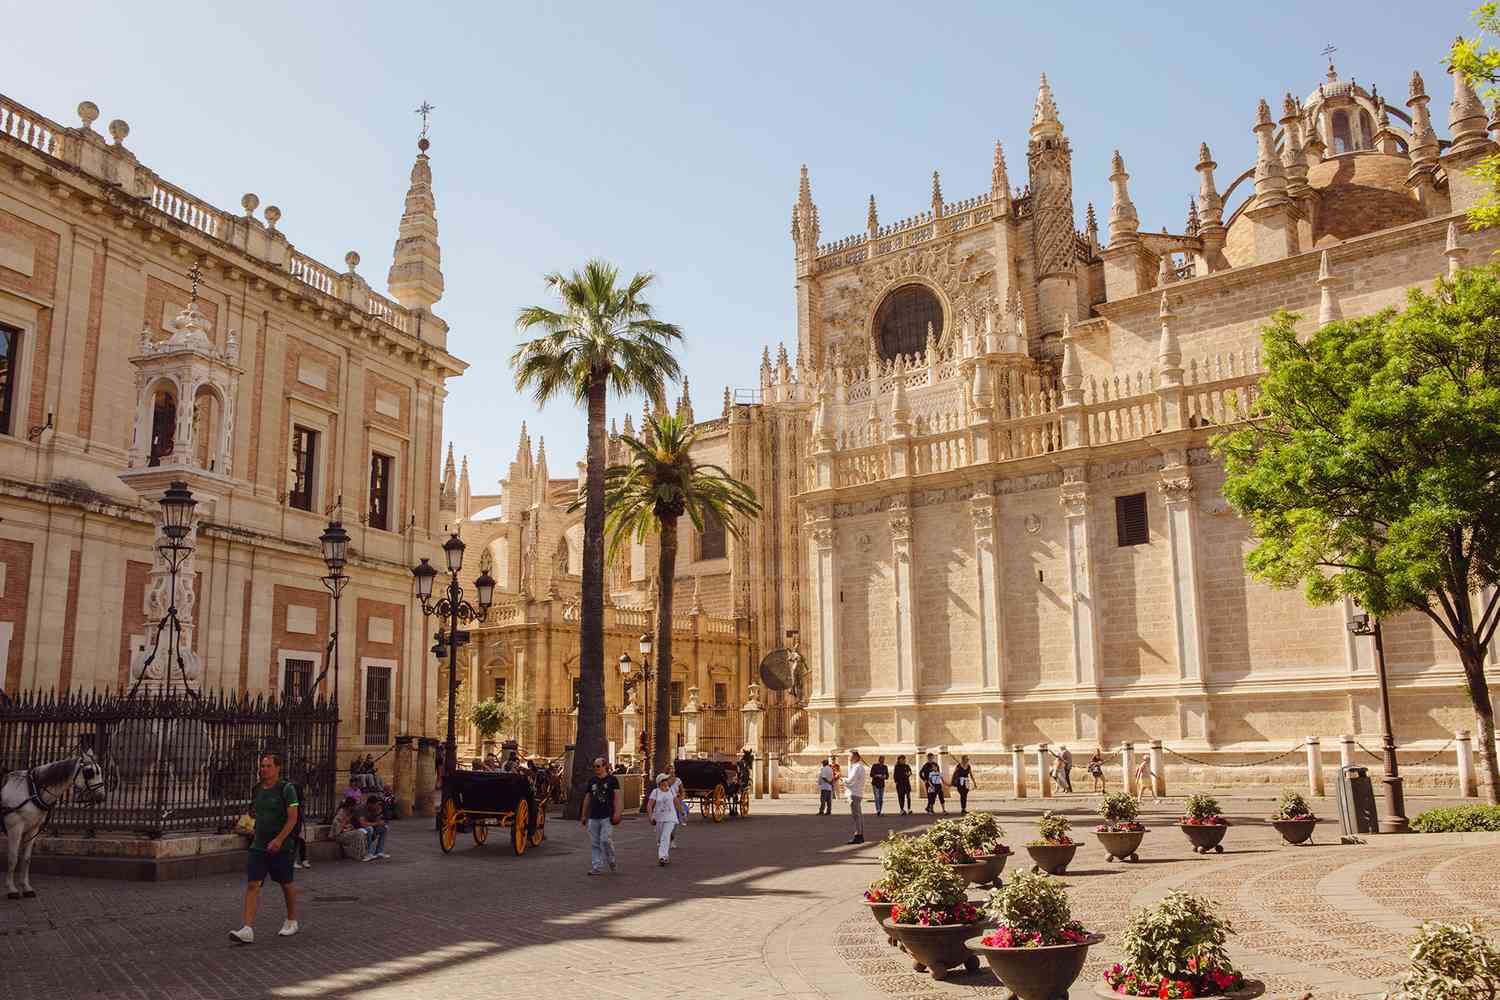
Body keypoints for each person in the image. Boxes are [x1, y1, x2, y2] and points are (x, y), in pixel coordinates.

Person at [230, 752, 300, 944]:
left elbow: (293, 817)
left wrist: (279, 839)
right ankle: (247, 928)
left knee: (286, 883)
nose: (264, 769)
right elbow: (257, 814)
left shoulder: (287, 789)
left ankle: (292, 920)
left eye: (268, 766)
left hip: (282, 846)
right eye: (262, 766)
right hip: (259, 846)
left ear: (277, 768)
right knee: (253, 884)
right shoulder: (257, 789)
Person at [581, 756, 620, 875]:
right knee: (594, 842)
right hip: (593, 816)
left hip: (607, 816)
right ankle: (596, 866)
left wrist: (617, 812)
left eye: (598, 766)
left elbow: (617, 798)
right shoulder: (592, 781)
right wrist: (584, 815)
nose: (596, 768)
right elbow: (587, 798)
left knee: (605, 840)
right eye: (594, 766)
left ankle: (611, 860)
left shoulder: (613, 780)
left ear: (605, 766)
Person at [647, 773, 683, 865]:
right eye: (665, 780)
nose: (667, 781)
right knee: (660, 838)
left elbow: (676, 802)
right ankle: (664, 855)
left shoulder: (671, 791)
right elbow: (650, 805)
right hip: (658, 818)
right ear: (660, 782)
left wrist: (682, 812)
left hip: (670, 817)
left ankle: (662, 857)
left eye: (667, 780)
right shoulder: (656, 792)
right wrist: (651, 816)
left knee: (665, 837)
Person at [331, 796, 370, 861]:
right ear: (350, 806)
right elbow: (337, 829)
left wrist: (350, 826)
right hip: (339, 835)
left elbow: (349, 825)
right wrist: (346, 825)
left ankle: (362, 854)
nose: (355, 807)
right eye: (354, 806)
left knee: (362, 832)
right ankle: (359, 855)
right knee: (359, 833)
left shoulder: (350, 813)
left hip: (346, 832)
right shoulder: (341, 813)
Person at [844, 750, 868, 844]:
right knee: (858, 816)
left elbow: (850, 780)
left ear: (855, 757)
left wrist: (842, 779)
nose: (848, 758)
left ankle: (858, 835)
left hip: (853, 793)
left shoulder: (857, 767)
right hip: (857, 793)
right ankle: (860, 834)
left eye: (850, 756)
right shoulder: (858, 767)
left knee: (856, 816)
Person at [364, 793, 390, 859]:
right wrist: (377, 823)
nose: (376, 806)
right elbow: (363, 824)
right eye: (375, 805)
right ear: (370, 804)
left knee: (384, 828)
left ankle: (379, 852)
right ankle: (368, 853)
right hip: (362, 828)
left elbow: (376, 821)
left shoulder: (374, 809)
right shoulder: (362, 809)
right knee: (370, 829)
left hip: (371, 827)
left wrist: (379, 819)